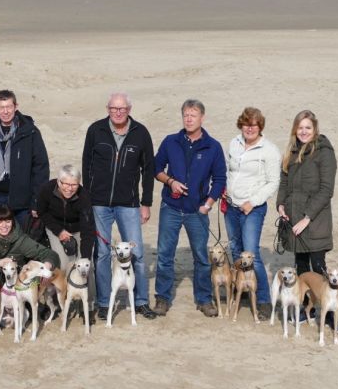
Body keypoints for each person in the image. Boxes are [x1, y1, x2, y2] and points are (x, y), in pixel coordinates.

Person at [82, 92, 157, 321]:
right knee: (103, 254)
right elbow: (86, 164)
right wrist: (88, 198)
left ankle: (141, 301)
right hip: (99, 203)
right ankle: (105, 302)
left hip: (129, 204)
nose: (118, 112)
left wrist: (146, 203)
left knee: (138, 254)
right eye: (114, 108)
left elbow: (149, 170)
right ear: (108, 109)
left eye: (122, 108)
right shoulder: (96, 130)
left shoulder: (141, 132)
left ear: (129, 109)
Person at [153, 99, 226, 317]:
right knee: (165, 255)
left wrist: (208, 204)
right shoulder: (171, 141)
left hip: (197, 211)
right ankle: (162, 298)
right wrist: (170, 182)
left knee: (202, 257)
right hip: (171, 207)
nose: (189, 119)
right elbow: (156, 168)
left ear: (202, 117)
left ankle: (204, 299)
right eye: (185, 115)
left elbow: (220, 179)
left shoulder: (213, 146)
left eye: (193, 115)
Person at [276, 110, 338, 333]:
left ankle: (331, 316)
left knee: (319, 268)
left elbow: (326, 190)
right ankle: (308, 308)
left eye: (308, 128)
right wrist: (281, 204)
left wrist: (307, 218)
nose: (303, 131)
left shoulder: (324, 152)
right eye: (300, 127)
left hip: (315, 220)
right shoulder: (291, 152)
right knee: (301, 265)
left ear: (315, 130)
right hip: (293, 219)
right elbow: (284, 181)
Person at [224, 107, 281, 321]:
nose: (250, 128)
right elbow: (229, 171)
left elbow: (273, 182)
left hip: (252, 209)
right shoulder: (234, 143)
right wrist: (225, 190)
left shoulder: (269, 150)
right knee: (235, 249)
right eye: (246, 124)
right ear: (241, 124)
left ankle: (264, 300)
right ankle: (243, 289)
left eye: (254, 125)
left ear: (260, 127)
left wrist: (252, 202)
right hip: (231, 206)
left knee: (250, 252)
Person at [0, 89, 49, 227]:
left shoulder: (30, 131)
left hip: (22, 201)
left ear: (16, 107)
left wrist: (37, 201)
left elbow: (41, 169)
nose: (5, 112)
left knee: (21, 239)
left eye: (9, 107)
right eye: (1, 107)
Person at [36, 165, 96, 311]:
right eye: (66, 184)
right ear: (58, 182)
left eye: (74, 185)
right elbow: (42, 212)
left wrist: (85, 258)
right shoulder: (46, 189)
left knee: (87, 267)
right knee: (62, 265)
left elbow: (87, 230)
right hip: (55, 228)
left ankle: (88, 305)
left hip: (79, 230)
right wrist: (59, 231)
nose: (69, 188)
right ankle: (60, 300)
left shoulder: (84, 196)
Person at [0, 204, 59, 276]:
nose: (4, 226)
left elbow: (49, 254)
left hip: (15, 281)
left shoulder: (20, 240)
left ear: (12, 222)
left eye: (8, 221)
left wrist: (47, 265)